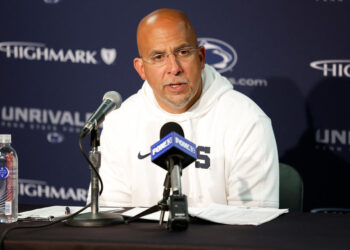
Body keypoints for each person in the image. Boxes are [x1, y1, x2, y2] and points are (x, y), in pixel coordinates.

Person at [98, 8, 279, 208]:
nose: (174, 68)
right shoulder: (121, 123)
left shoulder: (247, 121)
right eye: (159, 57)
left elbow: (253, 224)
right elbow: (112, 217)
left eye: (183, 52)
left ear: (201, 58)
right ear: (141, 68)